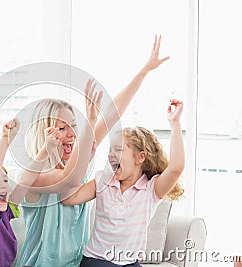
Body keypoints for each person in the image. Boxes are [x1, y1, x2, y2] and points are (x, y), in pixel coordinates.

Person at [15, 35, 170, 267]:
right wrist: (89, 123)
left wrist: (144, 71)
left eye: (74, 127)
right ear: (43, 133)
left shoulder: (78, 158)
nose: (71, 134)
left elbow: (111, 114)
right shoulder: (34, 177)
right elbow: (70, 179)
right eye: (61, 128)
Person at [62, 99, 185, 267]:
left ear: (140, 158)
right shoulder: (103, 181)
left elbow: (176, 168)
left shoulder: (151, 189)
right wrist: (81, 160)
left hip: (130, 263)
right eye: (110, 150)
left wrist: (175, 124)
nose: (111, 154)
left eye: (118, 150)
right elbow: (68, 198)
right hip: (97, 260)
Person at [0, 118, 60, 266]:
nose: (4, 186)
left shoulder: (6, 213)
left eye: (5, 180)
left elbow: (26, 181)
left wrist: (46, 150)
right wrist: (6, 140)